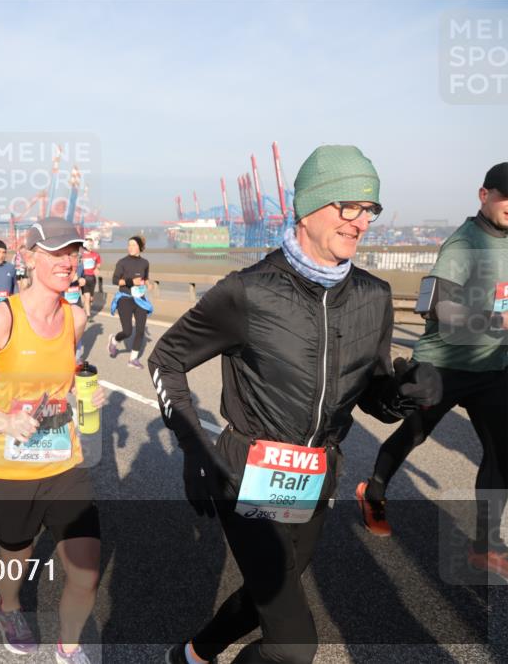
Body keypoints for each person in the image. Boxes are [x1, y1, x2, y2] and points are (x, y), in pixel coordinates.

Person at [148, 145, 441, 664]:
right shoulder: (248, 292)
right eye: (347, 206)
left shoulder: (373, 297)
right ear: (307, 207)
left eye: (369, 209)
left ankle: (193, 654)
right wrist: (195, 447)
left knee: (272, 590)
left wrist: (403, 395)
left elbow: (372, 395)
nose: (361, 222)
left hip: (315, 476)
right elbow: (166, 359)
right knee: (294, 646)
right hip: (247, 473)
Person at [0, 217, 106, 664]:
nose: (66, 261)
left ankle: (68, 648)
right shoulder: (3, 318)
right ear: (30, 258)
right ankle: (8, 606)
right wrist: (1, 419)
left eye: (72, 252)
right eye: (55, 252)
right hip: (9, 467)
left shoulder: (75, 316)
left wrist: (85, 390)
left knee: (87, 571)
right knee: (16, 557)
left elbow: (62, 379)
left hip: (63, 462)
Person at [356, 161, 508, 579]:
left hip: (493, 368)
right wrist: (493, 323)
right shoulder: (464, 243)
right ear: (484, 195)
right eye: (505, 195)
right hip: (444, 366)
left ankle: (485, 545)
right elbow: (436, 305)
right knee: (416, 433)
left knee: (501, 454)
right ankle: (374, 490)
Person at [108, 236, 152, 369]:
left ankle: (133, 359)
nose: (130, 248)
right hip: (125, 298)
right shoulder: (122, 262)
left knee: (140, 331)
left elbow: (146, 278)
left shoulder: (145, 263)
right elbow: (115, 281)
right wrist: (131, 282)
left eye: (133, 245)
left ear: (140, 247)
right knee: (127, 331)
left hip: (140, 299)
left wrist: (149, 284)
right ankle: (114, 340)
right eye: (129, 245)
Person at [79, 238, 102, 318]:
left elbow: (99, 263)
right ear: (85, 245)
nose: (91, 246)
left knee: (91, 299)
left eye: (92, 244)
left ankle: (84, 311)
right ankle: (88, 316)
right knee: (87, 297)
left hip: (92, 278)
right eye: (89, 244)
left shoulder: (96, 255)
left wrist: (97, 268)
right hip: (84, 277)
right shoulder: (81, 256)